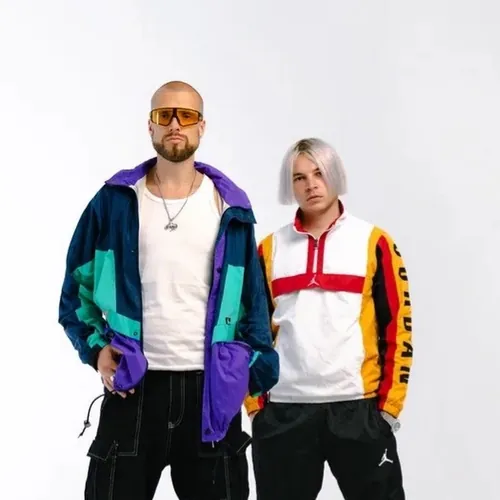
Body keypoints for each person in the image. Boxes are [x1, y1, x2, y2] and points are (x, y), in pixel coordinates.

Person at [58, 80, 279, 500]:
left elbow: (253, 304)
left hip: (210, 390)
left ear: (201, 127)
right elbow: (75, 292)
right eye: (165, 115)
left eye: (187, 116)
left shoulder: (230, 208)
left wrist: (246, 371)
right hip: (134, 387)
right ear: (151, 126)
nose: (176, 124)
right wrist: (96, 348)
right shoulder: (114, 203)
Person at [244, 138, 413, 500]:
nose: (311, 185)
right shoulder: (269, 249)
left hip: (358, 409)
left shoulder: (374, 242)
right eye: (299, 177)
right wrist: (255, 406)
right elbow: (248, 332)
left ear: (335, 174)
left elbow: (398, 326)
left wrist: (388, 408)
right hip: (284, 412)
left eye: (319, 173)